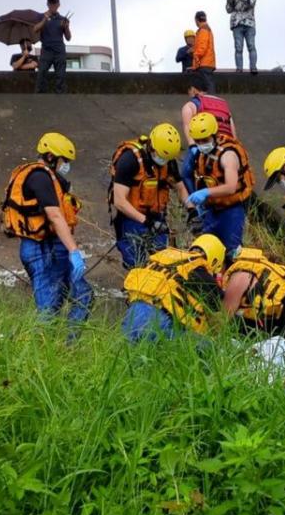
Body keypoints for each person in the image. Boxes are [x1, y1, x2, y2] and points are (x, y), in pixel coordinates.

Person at [2, 132, 93, 339]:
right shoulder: (39, 178)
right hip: (39, 250)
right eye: (65, 160)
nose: (67, 164)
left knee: (84, 296)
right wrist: (74, 251)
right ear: (51, 157)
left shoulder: (53, 178)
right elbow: (54, 215)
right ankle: (38, 350)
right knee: (48, 310)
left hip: (53, 245)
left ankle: (70, 345)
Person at [108, 123, 194, 268]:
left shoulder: (167, 158)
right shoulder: (130, 160)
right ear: (152, 148)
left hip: (156, 217)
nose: (164, 161)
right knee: (136, 263)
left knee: (162, 260)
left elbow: (179, 187)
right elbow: (119, 201)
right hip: (131, 218)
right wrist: (146, 221)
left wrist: (192, 209)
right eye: (161, 157)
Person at [122, 234, 225, 343]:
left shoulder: (162, 258)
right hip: (159, 326)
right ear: (214, 261)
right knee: (211, 346)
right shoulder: (199, 271)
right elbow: (219, 320)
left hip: (129, 323)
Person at [186, 112, 255, 261]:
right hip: (213, 209)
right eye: (198, 141)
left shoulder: (228, 155)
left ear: (214, 135)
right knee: (206, 249)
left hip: (232, 209)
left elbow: (231, 186)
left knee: (231, 252)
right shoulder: (203, 154)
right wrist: (202, 203)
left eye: (204, 140)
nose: (201, 144)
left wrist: (206, 192)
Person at [222, 247, 285, 366]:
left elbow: (224, 318)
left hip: (281, 318)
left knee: (283, 362)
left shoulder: (239, 275)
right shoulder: (260, 268)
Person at [33, 0, 71, 93]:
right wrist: (44, 20)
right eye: (51, 3)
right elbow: (35, 29)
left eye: (55, 4)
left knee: (61, 75)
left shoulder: (63, 19)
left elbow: (68, 38)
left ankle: (61, 96)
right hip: (46, 49)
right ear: (47, 4)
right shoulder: (41, 16)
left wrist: (66, 27)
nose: (52, 6)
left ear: (58, 5)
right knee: (42, 72)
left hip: (59, 50)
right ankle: (41, 96)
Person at [225, 0, 258, 74]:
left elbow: (250, 3)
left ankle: (253, 67)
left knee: (251, 45)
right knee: (238, 47)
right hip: (237, 24)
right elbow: (228, 9)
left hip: (249, 23)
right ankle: (239, 68)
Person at [190, 11, 217, 93]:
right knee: (205, 85)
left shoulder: (203, 30)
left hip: (204, 63)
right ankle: (208, 102)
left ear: (196, 20)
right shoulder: (206, 29)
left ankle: (212, 101)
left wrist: (195, 55)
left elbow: (202, 47)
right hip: (207, 62)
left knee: (207, 85)